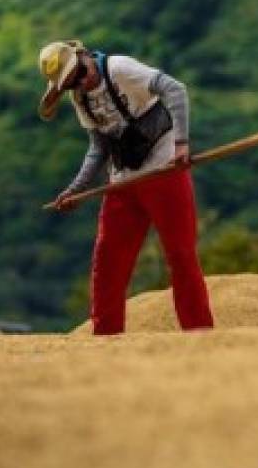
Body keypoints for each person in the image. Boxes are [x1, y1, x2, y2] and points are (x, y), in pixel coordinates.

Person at [38, 40, 214, 334]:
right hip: (123, 180)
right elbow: (99, 146)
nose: (82, 81)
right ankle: (106, 339)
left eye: (80, 72)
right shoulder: (80, 98)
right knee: (107, 264)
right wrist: (76, 189)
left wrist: (182, 143)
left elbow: (175, 90)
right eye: (71, 83)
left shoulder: (120, 68)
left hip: (164, 168)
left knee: (181, 255)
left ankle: (199, 333)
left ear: (84, 56)